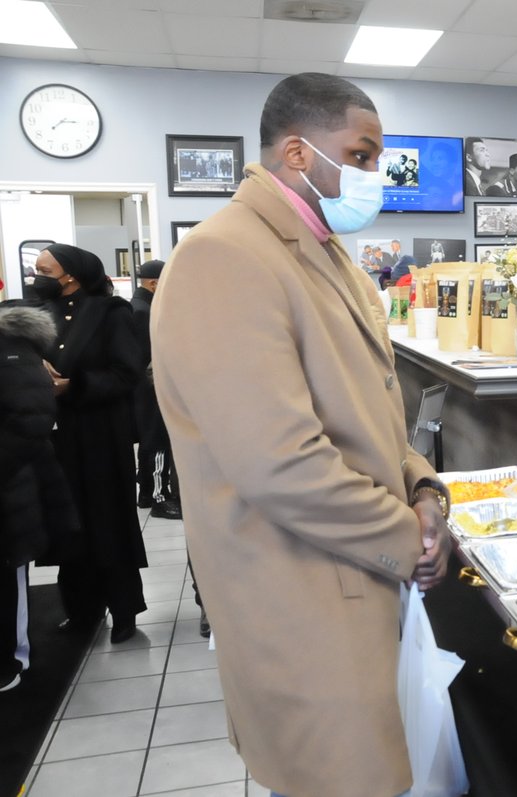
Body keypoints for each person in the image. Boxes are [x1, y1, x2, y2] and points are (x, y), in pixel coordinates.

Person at [151, 72, 452, 797]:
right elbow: (280, 463)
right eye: (363, 154)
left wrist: (423, 488)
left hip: (355, 570)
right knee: (341, 775)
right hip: (304, 590)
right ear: (296, 153)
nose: (375, 176)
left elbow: (371, 410)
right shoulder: (226, 256)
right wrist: (406, 538)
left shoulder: (323, 253)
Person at [36, 244, 147, 644]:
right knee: (70, 521)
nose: (39, 276)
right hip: (59, 435)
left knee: (106, 518)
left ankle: (123, 609)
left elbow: (126, 372)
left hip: (100, 434)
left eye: (45, 269)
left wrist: (74, 386)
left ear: (71, 273)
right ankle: (82, 608)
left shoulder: (110, 313)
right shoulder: (41, 314)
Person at [0, 301, 80, 691]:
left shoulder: (10, 345)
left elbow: (31, 419)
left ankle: (12, 660)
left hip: (10, 486)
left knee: (8, 574)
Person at [131, 260, 181, 520]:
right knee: (158, 441)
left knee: (151, 442)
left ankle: (146, 494)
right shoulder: (145, 311)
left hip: (145, 388)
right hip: (151, 388)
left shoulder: (139, 306)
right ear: (154, 283)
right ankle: (160, 497)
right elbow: (148, 357)